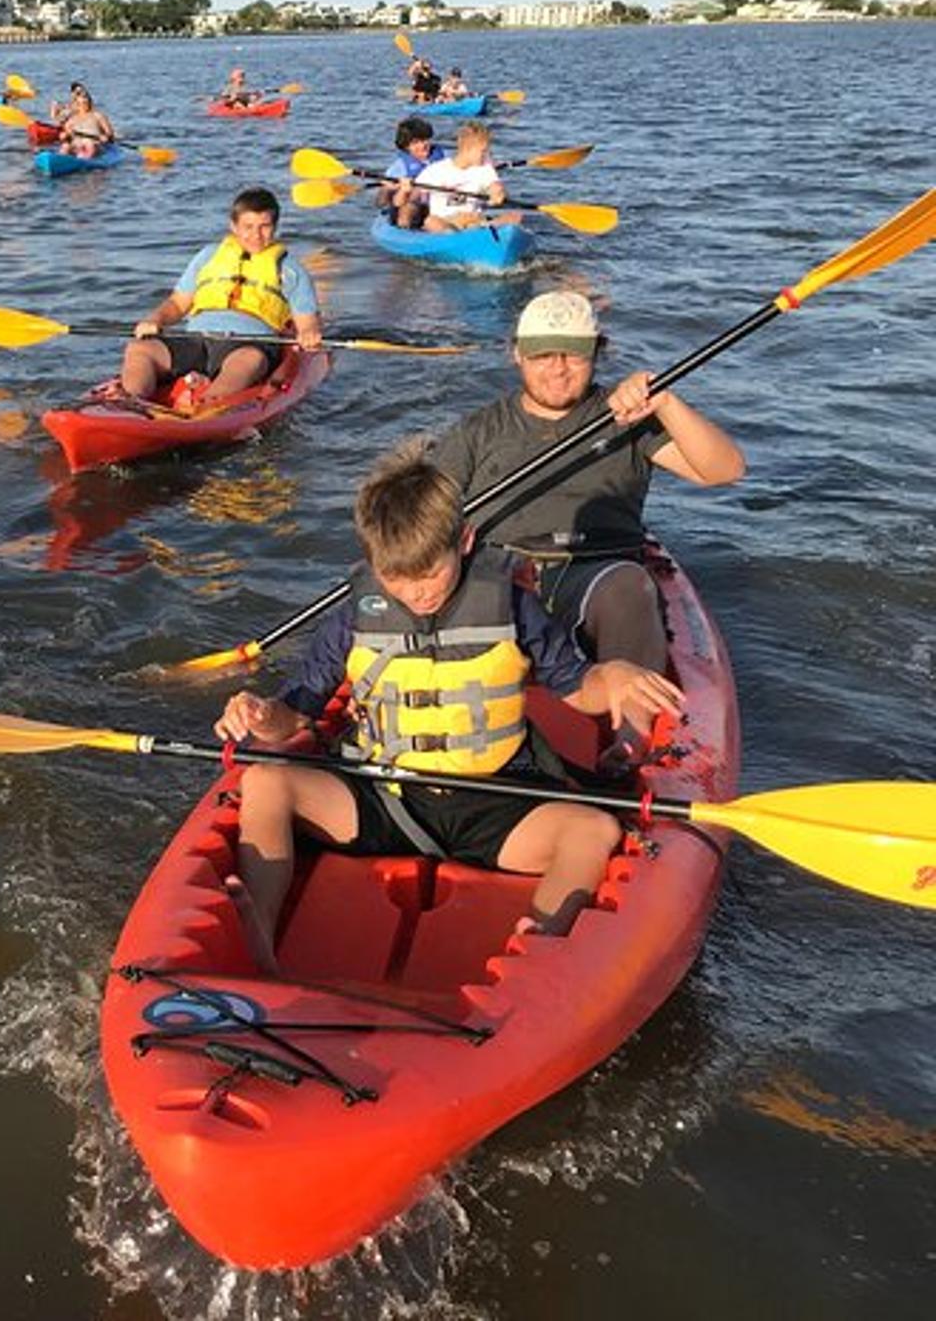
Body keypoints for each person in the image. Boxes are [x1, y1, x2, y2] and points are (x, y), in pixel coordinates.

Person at [212, 442, 685, 973]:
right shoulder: (353, 617)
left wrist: (612, 676)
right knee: (266, 782)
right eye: (396, 578)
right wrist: (260, 715)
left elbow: (578, 687)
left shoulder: (513, 607)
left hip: (493, 800)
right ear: (374, 562)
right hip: (383, 795)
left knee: (593, 831)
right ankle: (258, 933)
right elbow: (295, 715)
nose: (416, 593)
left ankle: (542, 944)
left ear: (463, 541)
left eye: (429, 573)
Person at [431, 291, 746, 754]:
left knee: (630, 586)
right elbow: (419, 514)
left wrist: (665, 403)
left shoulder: (629, 418)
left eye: (574, 356)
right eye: (543, 355)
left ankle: (631, 741)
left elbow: (725, 471)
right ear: (517, 354)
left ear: (597, 353)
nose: (558, 369)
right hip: (501, 573)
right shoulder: (479, 431)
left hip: (596, 573)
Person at [119, 187, 325, 405]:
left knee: (249, 361)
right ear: (233, 226)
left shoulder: (291, 270)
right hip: (196, 340)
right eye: (248, 227)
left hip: (248, 344)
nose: (256, 235)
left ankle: (206, 405)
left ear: (275, 227)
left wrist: (309, 334)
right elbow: (178, 304)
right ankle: (130, 404)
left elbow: (307, 324)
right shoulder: (208, 256)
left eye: (264, 226)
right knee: (140, 349)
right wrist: (155, 320)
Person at [413, 122, 508, 233]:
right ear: (467, 149)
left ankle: (475, 234)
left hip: (472, 219)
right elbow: (414, 194)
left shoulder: (485, 167)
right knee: (430, 222)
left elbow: (495, 186)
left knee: (514, 216)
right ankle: (453, 236)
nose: (487, 155)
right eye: (483, 151)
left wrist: (498, 194)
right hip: (445, 221)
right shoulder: (435, 170)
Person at [378, 117, 446, 229]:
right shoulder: (399, 167)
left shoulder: (443, 158)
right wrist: (388, 189)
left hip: (439, 204)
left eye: (425, 140)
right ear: (406, 146)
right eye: (415, 143)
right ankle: (404, 231)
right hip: (414, 206)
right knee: (407, 209)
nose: (423, 146)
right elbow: (380, 203)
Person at [57, 88, 116, 159]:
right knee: (65, 146)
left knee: (89, 144)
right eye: (81, 103)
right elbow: (66, 136)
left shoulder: (98, 116)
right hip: (77, 145)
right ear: (76, 104)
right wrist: (64, 136)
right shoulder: (71, 120)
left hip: (94, 144)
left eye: (86, 101)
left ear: (90, 102)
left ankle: (83, 160)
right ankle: (61, 159)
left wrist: (106, 137)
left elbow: (110, 134)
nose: (84, 104)